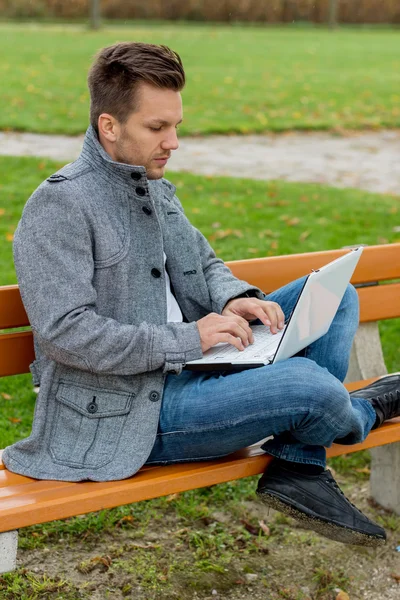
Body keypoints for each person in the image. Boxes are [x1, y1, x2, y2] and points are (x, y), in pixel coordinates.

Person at [4, 42, 400, 548]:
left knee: (334, 297)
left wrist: (235, 298)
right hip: (129, 414)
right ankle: (361, 413)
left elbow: (206, 264)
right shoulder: (59, 206)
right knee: (313, 387)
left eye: (176, 126)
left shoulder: (154, 187)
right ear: (109, 126)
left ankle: (298, 465)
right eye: (156, 128)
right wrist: (190, 338)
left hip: (199, 368)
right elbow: (66, 334)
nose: (173, 142)